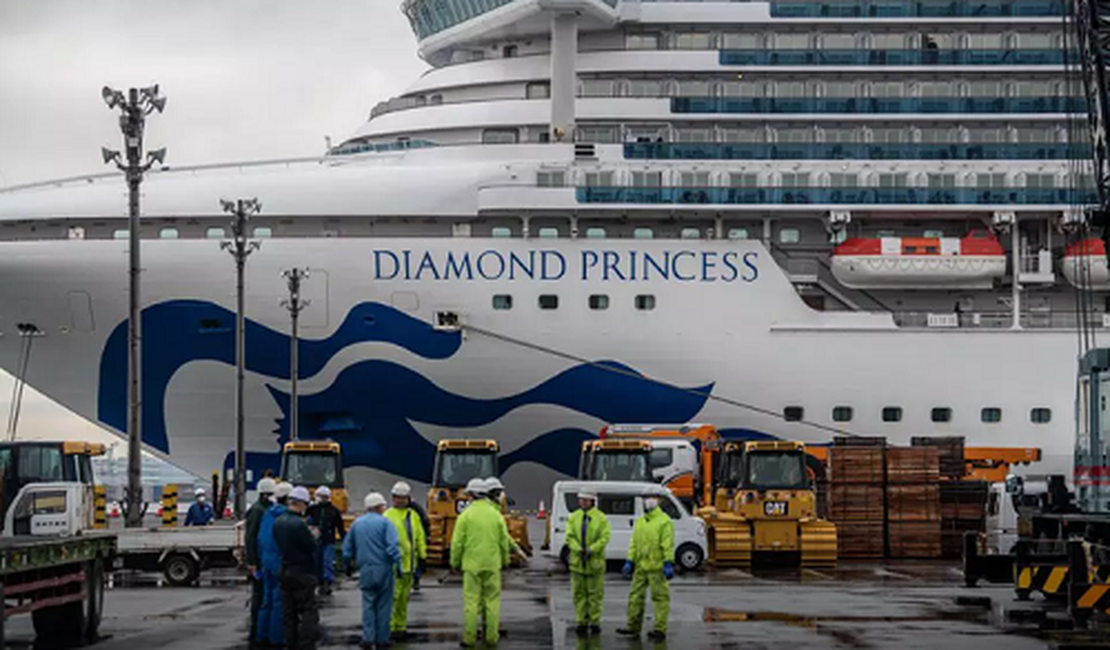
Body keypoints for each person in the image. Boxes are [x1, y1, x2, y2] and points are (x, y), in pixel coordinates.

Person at [451, 478, 513, 648]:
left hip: (471, 566)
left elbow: (457, 543)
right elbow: (503, 541)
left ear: (472, 495)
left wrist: (455, 562)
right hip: (493, 565)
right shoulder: (496, 515)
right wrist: (505, 560)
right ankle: (492, 637)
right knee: (492, 602)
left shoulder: (465, 516)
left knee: (471, 602)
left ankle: (469, 638)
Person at [343, 492, 402, 650]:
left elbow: (347, 547)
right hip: (384, 569)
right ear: (379, 507)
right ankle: (382, 639)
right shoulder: (386, 523)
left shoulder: (357, 524)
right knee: (384, 605)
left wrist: (347, 564)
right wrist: (400, 566)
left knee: (368, 604)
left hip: (366, 569)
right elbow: (392, 547)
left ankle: (368, 639)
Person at [617, 496, 675, 641]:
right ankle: (633, 627)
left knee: (660, 599)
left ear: (658, 501)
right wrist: (630, 560)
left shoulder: (664, 521)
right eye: (645, 499)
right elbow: (634, 543)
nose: (648, 501)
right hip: (641, 567)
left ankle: (659, 629)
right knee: (635, 597)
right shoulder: (641, 521)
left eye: (651, 498)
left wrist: (668, 562)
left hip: (657, 567)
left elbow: (667, 543)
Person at [274, 486, 320, 650]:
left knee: (289, 613)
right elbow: (310, 547)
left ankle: (290, 643)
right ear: (301, 504)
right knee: (308, 610)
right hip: (302, 571)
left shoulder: (278, 521)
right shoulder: (298, 524)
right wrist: (314, 536)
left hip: (285, 570)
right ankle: (307, 645)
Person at [565, 490, 611, 637]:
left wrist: (592, 549)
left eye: (586, 500)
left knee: (595, 594)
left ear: (593, 501)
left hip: (594, 563)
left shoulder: (601, 518)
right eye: (581, 500)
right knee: (579, 594)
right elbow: (569, 536)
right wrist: (578, 549)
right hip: (577, 562)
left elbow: (605, 538)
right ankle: (581, 621)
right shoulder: (574, 517)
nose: (583, 502)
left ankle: (595, 621)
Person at [385, 481, 426, 642]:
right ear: (393, 498)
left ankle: (400, 628)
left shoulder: (413, 516)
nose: (401, 500)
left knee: (403, 598)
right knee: (394, 598)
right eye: (398, 497)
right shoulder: (387, 516)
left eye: (403, 498)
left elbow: (419, 537)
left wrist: (422, 556)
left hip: (409, 564)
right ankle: (390, 628)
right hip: (394, 565)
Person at [257, 481, 293, 647]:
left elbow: (259, 539)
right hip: (280, 562)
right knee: (279, 602)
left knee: (266, 600)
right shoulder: (286, 516)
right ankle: (277, 638)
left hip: (266, 561)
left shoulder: (267, 514)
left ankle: (261, 635)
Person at [246, 477, 277, 648]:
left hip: (264, 558)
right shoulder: (257, 510)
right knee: (258, 595)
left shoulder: (266, 508)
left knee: (264, 594)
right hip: (259, 560)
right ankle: (255, 627)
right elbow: (250, 537)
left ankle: (260, 628)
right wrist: (252, 562)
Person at [307, 485, 346, 595]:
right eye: (320, 496)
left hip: (329, 541)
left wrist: (345, 539)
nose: (322, 499)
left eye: (324, 497)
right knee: (316, 562)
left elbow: (340, 527)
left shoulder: (334, 511)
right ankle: (318, 581)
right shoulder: (312, 509)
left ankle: (326, 582)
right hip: (315, 541)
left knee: (327, 562)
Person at [410, 498, 431, 593]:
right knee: (419, 560)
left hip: (415, 538)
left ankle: (415, 579)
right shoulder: (418, 509)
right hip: (418, 537)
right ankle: (416, 580)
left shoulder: (414, 511)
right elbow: (426, 521)